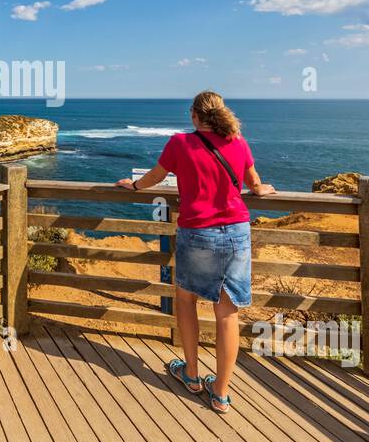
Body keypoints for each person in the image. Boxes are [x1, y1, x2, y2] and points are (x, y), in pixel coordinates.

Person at [116, 91, 274, 413]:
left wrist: (132, 186)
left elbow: (155, 178)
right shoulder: (239, 143)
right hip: (236, 233)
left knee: (186, 300)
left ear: (194, 116)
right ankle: (221, 393)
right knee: (227, 313)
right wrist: (261, 190)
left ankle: (191, 374)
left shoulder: (179, 144)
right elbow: (254, 183)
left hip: (197, 232)